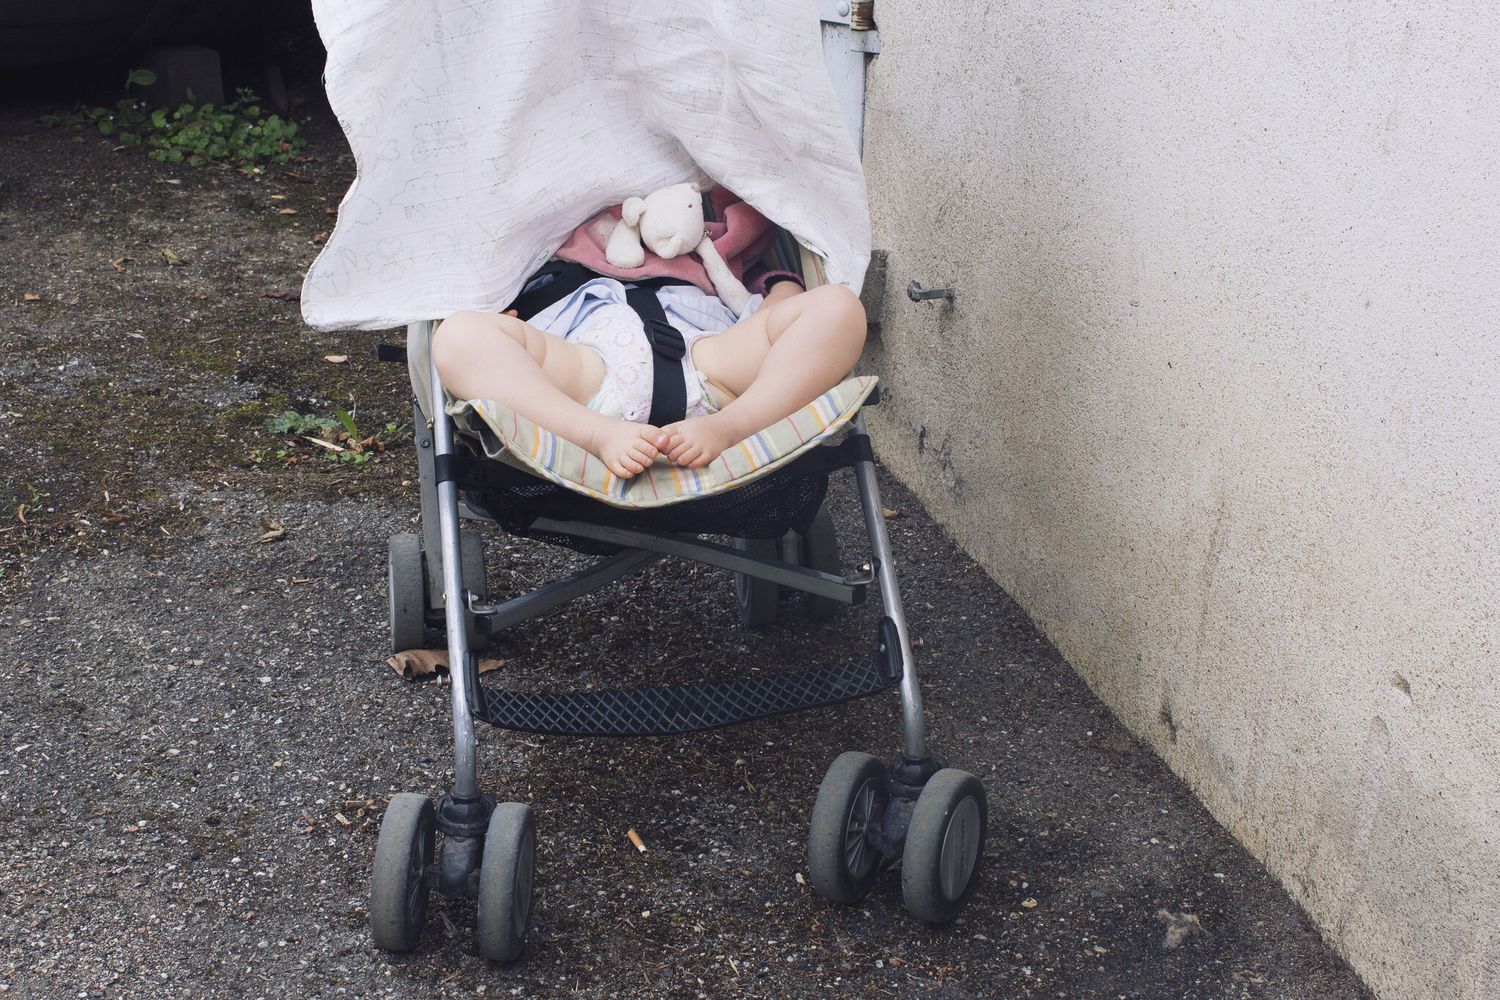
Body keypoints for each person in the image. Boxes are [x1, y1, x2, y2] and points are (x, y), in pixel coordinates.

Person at [431, 272, 866, 479]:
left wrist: (782, 284)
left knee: (838, 307)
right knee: (457, 336)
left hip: (708, 358)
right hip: (582, 370)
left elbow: (778, 309)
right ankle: (596, 434)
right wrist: (493, 306)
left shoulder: (700, 227)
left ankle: (735, 426)